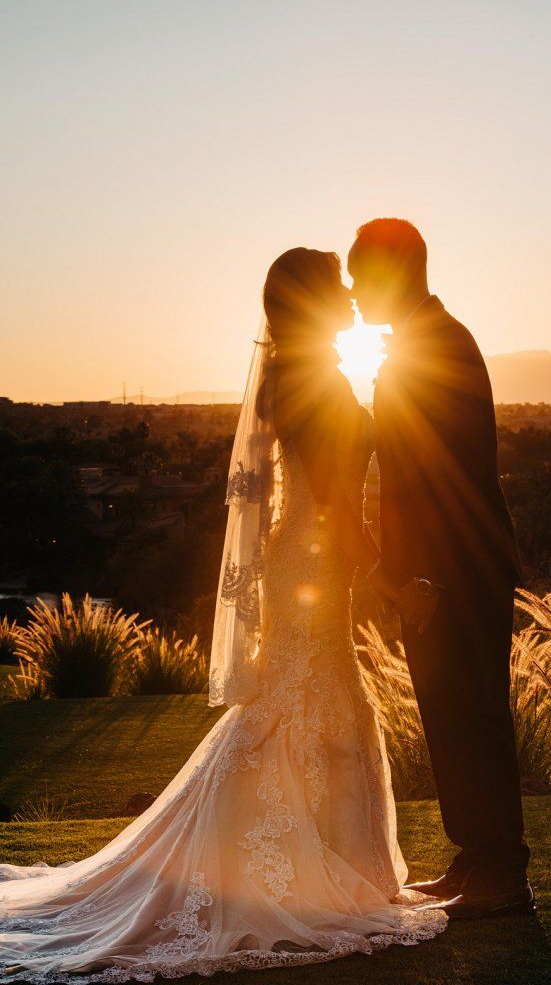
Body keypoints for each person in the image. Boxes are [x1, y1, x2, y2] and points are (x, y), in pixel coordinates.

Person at [0, 248, 446, 982]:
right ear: (309, 301)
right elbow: (337, 508)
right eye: (334, 286)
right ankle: (299, 871)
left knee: (299, 698)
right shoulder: (320, 385)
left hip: (296, 562)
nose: (346, 294)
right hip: (315, 561)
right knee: (310, 699)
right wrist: (396, 586)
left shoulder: (288, 378)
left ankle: (301, 864)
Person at [349, 218, 534, 919]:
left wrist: (423, 577)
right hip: (442, 571)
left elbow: (440, 479)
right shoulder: (424, 345)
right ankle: (474, 858)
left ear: (393, 272)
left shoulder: (438, 348)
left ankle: (500, 871)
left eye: (362, 279)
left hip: (455, 570)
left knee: (473, 715)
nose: (357, 296)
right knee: (451, 717)